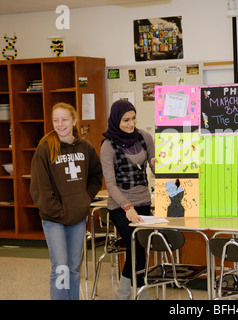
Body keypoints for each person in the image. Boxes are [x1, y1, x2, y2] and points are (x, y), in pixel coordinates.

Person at [30, 102, 103, 300]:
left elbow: (96, 176)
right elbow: (39, 188)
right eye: (56, 120)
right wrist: (59, 212)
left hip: (77, 217)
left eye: (64, 119)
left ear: (74, 120)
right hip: (54, 219)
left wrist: (84, 199)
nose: (60, 124)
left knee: (73, 267)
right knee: (61, 267)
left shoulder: (85, 147)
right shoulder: (45, 149)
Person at [100, 100, 155, 299]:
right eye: (126, 120)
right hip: (119, 206)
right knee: (136, 245)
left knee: (138, 249)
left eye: (133, 118)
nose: (131, 123)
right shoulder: (108, 146)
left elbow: (157, 172)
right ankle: (141, 294)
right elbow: (111, 185)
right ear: (116, 120)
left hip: (143, 202)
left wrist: (159, 165)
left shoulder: (145, 137)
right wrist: (127, 207)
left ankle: (123, 292)